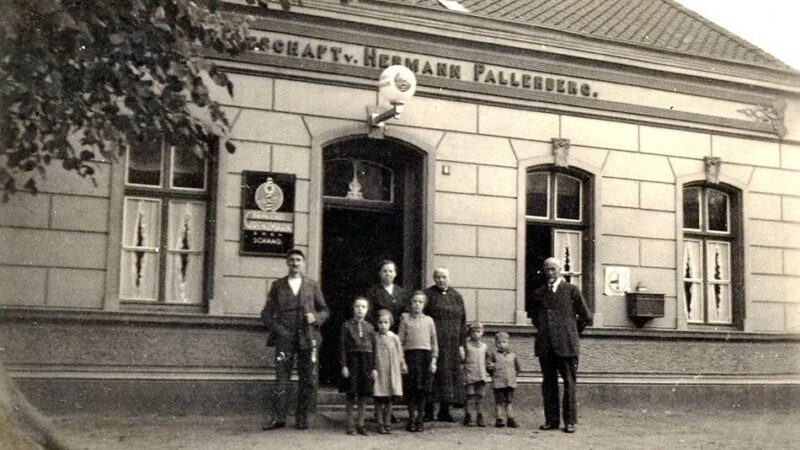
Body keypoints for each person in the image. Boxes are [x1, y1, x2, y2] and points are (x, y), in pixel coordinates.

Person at [260, 249, 329, 431]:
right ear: (287, 263)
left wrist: (315, 317)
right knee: (281, 378)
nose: (295, 263)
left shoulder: (312, 285)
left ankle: (301, 418)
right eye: (291, 260)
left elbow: (325, 310)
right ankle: (278, 418)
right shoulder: (278, 286)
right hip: (285, 339)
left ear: (303, 263)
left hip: (307, 338)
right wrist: (279, 329)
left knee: (307, 379)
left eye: (298, 260)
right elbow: (266, 314)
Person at [530, 257, 592, 434]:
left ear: (560, 271)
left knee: (569, 384)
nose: (550, 273)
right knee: (548, 384)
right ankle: (551, 421)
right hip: (546, 346)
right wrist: (546, 331)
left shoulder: (572, 291)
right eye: (547, 269)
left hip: (567, 346)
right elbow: (536, 319)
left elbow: (586, 317)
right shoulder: (539, 293)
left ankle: (569, 422)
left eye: (553, 269)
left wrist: (571, 332)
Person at [423, 267, 466, 422]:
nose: (441, 280)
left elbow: (463, 322)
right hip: (433, 342)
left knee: (448, 376)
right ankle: (428, 411)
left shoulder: (456, 297)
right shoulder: (427, 295)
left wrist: (461, 344)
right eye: (438, 277)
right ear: (434, 279)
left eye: (444, 277)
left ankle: (444, 411)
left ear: (449, 278)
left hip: (452, 344)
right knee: (431, 376)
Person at [397, 291, 438, 432]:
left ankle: (420, 419)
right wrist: (402, 361)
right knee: (411, 390)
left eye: (420, 302)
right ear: (411, 303)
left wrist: (433, 360)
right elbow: (399, 341)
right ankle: (411, 419)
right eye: (414, 302)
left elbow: (434, 342)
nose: (417, 305)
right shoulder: (405, 319)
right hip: (410, 357)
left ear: (424, 304)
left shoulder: (429, 320)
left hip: (425, 358)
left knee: (422, 390)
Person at [339, 297, 376, 436]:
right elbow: (342, 346)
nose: (360, 309)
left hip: (366, 361)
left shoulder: (370, 327)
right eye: (357, 306)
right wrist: (344, 365)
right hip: (352, 361)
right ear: (353, 308)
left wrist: (374, 368)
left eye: (363, 307)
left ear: (367, 310)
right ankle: (350, 424)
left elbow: (374, 348)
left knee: (363, 394)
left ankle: (361, 424)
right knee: (351, 393)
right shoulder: (346, 325)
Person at [373, 309, 407, 434]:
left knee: (388, 398)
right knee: (378, 397)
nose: (383, 325)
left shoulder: (394, 338)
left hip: (391, 370)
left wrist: (402, 363)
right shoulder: (374, 337)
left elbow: (399, 352)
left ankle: (387, 422)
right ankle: (379, 423)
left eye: (386, 322)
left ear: (390, 323)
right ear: (377, 323)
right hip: (379, 369)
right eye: (380, 322)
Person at [487, 332, 521, 428]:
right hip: (498, 383)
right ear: (495, 344)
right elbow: (488, 366)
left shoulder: (513, 355)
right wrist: (492, 369)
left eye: (504, 342)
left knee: (509, 401)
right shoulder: (493, 355)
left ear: (508, 343)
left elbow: (518, 368)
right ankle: (499, 419)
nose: (501, 344)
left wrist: (512, 375)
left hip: (510, 383)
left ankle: (511, 419)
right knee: (499, 401)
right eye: (499, 342)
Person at [365, 260, 407, 333]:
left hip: (398, 332)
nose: (388, 274)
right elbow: (369, 314)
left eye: (390, 271)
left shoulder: (401, 292)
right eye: (385, 271)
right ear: (380, 273)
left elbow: (406, 312)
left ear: (395, 273)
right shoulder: (373, 292)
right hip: (379, 331)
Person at [462, 321, 490, 427]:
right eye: (473, 331)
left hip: (481, 374)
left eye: (478, 331)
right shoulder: (467, 346)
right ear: (470, 333)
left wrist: (490, 365)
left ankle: (479, 415)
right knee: (469, 396)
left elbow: (487, 359)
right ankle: (468, 416)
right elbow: (462, 359)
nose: (476, 334)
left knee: (480, 396)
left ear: (482, 332)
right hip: (469, 374)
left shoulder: (484, 347)